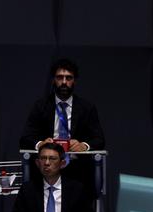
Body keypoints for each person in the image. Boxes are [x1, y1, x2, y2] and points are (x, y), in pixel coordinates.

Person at [19, 58, 105, 195]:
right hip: (47, 167)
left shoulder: (87, 108)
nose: (64, 82)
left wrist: (84, 145)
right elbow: (25, 138)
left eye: (68, 78)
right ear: (53, 80)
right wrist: (41, 144)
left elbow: (99, 139)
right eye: (60, 77)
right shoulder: (41, 106)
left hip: (77, 168)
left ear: (74, 81)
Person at [9, 143, 97, 212]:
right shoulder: (28, 189)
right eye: (43, 158)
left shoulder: (76, 189)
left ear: (62, 163)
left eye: (52, 158)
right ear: (37, 163)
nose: (47, 163)